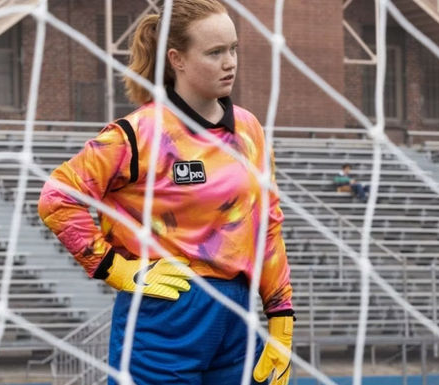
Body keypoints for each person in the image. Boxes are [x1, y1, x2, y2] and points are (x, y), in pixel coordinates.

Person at [38, 1, 293, 384]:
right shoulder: (136, 134)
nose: (230, 62)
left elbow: (268, 225)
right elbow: (57, 198)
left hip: (236, 316)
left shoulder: (249, 130)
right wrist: (116, 269)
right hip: (165, 314)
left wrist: (281, 317)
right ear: (177, 59)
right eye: (215, 52)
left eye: (233, 49)